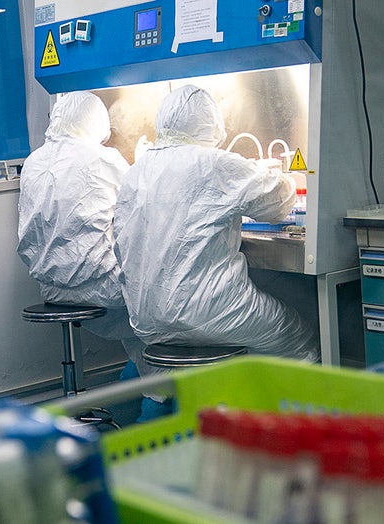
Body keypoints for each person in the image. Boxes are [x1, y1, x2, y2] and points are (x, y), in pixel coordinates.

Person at [113, 85, 319, 361]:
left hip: (147, 320)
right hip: (210, 313)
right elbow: (278, 204)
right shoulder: (212, 163)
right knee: (300, 338)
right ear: (210, 121)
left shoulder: (135, 172)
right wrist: (291, 180)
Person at [16, 91, 171, 420]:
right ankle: (154, 414)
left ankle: (130, 397)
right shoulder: (104, 158)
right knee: (161, 318)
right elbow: (140, 203)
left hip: (52, 291)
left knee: (139, 335)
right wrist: (143, 165)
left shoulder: (34, 161)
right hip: (103, 290)